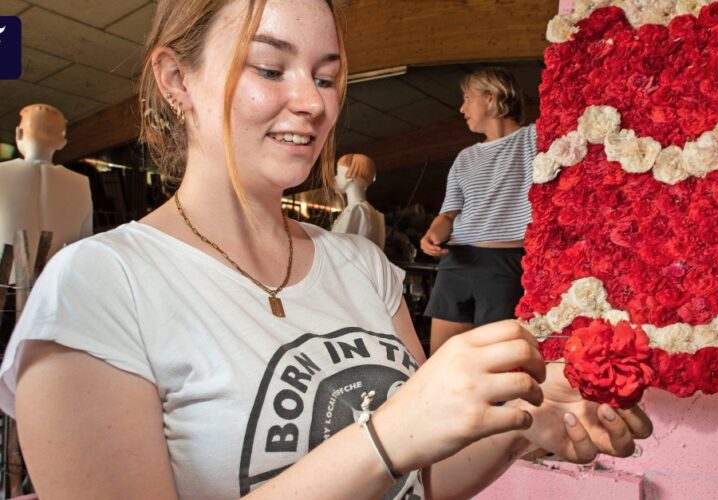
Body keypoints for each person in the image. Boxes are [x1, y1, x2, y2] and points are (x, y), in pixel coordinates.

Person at [0, 1, 651, 499]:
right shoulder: (102, 286)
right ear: (175, 79)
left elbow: (416, 481)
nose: (313, 102)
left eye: (329, 76)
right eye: (269, 67)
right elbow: (396, 445)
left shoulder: (362, 266)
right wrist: (386, 435)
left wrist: (519, 423)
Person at [421, 67, 535, 355]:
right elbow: (448, 215)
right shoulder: (464, 157)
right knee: (442, 361)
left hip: (505, 265)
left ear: (492, 96)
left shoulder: (533, 139)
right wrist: (433, 235)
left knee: (493, 366)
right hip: (456, 262)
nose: (461, 108)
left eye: (467, 98)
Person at [0, 104, 93, 273]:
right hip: (58, 279)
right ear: (62, 143)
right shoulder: (81, 183)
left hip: (7, 283)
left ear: (18, 134)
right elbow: (85, 239)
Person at [332, 153, 386, 249]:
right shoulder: (374, 213)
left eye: (338, 172)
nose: (335, 177)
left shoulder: (356, 209)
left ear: (349, 176)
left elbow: (337, 248)